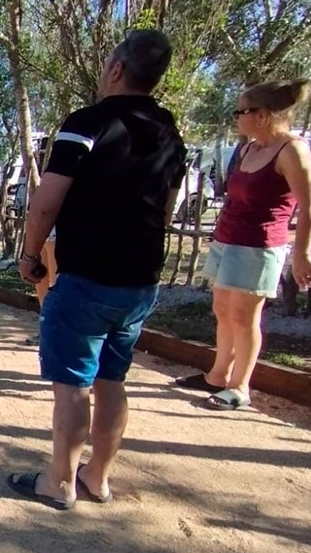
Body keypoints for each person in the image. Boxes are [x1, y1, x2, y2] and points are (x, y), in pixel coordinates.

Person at [11, 29, 187, 510]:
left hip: (87, 273)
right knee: (113, 380)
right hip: (140, 278)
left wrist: (30, 257)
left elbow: (45, 203)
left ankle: (60, 482)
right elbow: (167, 206)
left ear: (116, 69)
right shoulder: (171, 133)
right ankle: (98, 478)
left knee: (72, 384)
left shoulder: (87, 123)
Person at [174, 80, 311, 410]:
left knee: (244, 317)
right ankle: (217, 375)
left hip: (259, 245)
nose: (236, 117)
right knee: (222, 309)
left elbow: (310, 203)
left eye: (241, 111)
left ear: (263, 115)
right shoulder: (247, 148)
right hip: (229, 238)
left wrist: (303, 252)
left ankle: (240, 387)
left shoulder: (292, 150)